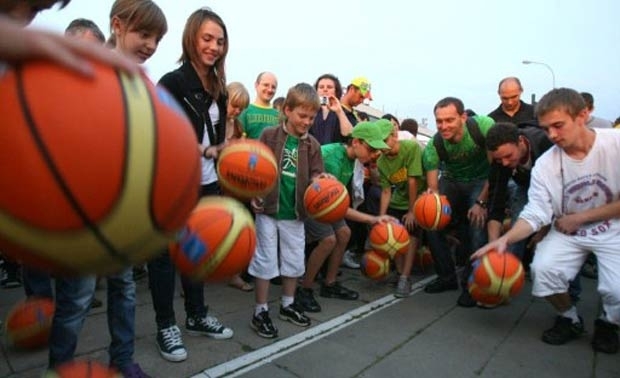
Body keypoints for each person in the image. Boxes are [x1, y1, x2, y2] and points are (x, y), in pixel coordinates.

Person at [473, 88, 620, 354]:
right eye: (547, 128)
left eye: (558, 125)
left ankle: (609, 322)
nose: (552, 134)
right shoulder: (547, 164)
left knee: (616, 289)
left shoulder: (615, 144)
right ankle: (569, 317)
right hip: (566, 227)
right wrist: (503, 240)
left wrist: (581, 217)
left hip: (611, 227)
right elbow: (535, 211)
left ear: (583, 115)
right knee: (543, 270)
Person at [149, 8, 234, 363]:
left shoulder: (219, 88)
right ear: (191, 38)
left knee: (198, 254)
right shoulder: (171, 82)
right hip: (172, 184)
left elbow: (219, 136)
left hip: (207, 183)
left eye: (220, 40)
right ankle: (166, 325)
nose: (214, 46)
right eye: (207, 38)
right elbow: (156, 132)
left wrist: (224, 150)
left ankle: (197, 315)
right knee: (165, 258)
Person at [100, 1, 168, 376]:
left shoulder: (143, 82)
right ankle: (59, 364)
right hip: (88, 201)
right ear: (117, 26)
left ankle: (122, 360)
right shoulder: (89, 68)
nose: (152, 44)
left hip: (125, 205)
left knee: (123, 287)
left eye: (157, 38)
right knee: (76, 297)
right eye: (145, 34)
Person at [248, 83, 324, 339]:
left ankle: (288, 305)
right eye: (302, 116)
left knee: (293, 260)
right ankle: (260, 311)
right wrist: (254, 194)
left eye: (311, 117)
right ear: (287, 110)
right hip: (268, 210)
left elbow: (316, 174)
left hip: (295, 213)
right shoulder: (269, 135)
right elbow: (254, 167)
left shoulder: (312, 144)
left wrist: (318, 183)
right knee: (265, 260)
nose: (307, 122)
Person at [297, 121, 395, 312]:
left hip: (324, 203)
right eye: (372, 148)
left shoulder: (353, 159)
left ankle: (330, 284)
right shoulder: (332, 158)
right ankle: (304, 289)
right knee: (328, 239)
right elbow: (331, 204)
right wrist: (371, 219)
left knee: (344, 233)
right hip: (307, 203)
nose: (376, 154)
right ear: (356, 142)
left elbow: (336, 203)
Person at [422, 97, 494, 307]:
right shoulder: (434, 145)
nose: (443, 126)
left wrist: (481, 202)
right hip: (452, 181)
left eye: (449, 120)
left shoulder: (483, 127)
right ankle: (446, 277)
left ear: (463, 117)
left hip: (482, 180)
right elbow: (433, 188)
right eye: (439, 121)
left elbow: (496, 170)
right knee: (430, 219)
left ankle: (472, 285)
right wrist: (431, 202)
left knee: (477, 226)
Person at [486, 122, 554, 261]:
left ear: (521, 142)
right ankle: (508, 269)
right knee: (515, 229)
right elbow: (496, 200)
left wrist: (543, 232)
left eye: (509, 156)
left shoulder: (546, 144)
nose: (505, 163)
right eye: (499, 159)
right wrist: (493, 244)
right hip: (524, 186)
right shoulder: (500, 162)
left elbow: (557, 196)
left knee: (554, 243)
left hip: (556, 190)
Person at [376, 119, 426, 297]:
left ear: (394, 135)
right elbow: (386, 191)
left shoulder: (410, 148)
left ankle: (405, 277)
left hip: (418, 198)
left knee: (411, 234)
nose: (382, 146)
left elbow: (413, 181)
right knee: (391, 235)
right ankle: (399, 272)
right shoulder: (381, 161)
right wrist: (380, 218)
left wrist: (412, 211)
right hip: (399, 199)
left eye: (385, 140)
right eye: (378, 142)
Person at [223, 81, 254, 292]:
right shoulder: (212, 122)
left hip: (233, 186)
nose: (237, 111)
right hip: (213, 183)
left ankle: (234, 274)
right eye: (234, 105)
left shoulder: (239, 127)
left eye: (241, 108)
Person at [309, 73, 354, 145]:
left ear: (336, 91)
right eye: (321, 87)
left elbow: (349, 135)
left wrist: (339, 112)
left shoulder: (344, 112)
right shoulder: (310, 110)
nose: (325, 89)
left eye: (329, 87)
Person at [239, 71, 279, 139]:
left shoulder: (279, 115)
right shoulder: (244, 111)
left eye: (273, 87)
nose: (270, 90)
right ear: (256, 85)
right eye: (266, 85)